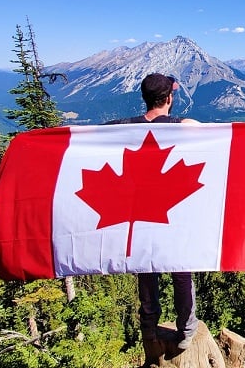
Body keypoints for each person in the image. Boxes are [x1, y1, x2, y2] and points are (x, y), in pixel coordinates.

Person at [104, 73, 199, 349]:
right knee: (182, 271)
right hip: (172, 214)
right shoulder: (178, 126)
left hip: (139, 214)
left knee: (145, 270)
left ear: (144, 99)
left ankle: (149, 328)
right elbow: (201, 129)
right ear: (169, 98)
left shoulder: (123, 127)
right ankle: (186, 331)